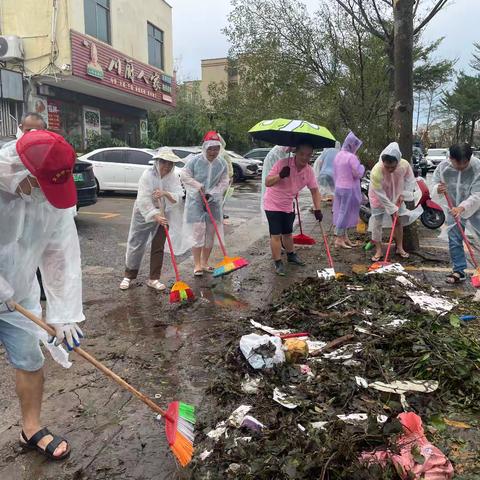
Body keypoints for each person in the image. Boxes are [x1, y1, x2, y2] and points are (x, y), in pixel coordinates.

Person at [0, 129, 85, 461]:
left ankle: (31, 428)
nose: (43, 193)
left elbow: (59, 253)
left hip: (18, 300)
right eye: (39, 183)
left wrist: (63, 313)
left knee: (30, 361)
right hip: (7, 292)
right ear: (20, 170)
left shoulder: (49, 196)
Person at [120, 148, 184, 291]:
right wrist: (155, 215)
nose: (167, 167)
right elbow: (143, 199)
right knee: (136, 243)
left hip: (164, 213)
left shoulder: (173, 177)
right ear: (157, 162)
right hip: (144, 213)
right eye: (164, 163)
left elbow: (178, 197)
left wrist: (165, 193)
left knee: (158, 247)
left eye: (170, 164)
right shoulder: (147, 175)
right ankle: (128, 275)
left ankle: (154, 278)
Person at [264, 142, 323, 275]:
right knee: (276, 235)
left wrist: (317, 208)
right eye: (302, 154)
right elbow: (267, 182)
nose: (304, 158)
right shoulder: (282, 164)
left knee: (288, 233)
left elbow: (314, 190)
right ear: (296, 152)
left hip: (288, 204)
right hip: (273, 203)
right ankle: (278, 262)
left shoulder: (309, 171)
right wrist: (280, 176)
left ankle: (291, 255)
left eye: (308, 155)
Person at [181, 131, 229, 276]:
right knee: (198, 232)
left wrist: (213, 193)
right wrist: (197, 185)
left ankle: (205, 263)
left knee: (210, 232)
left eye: (216, 148)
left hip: (213, 202)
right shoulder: (195, 161)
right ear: (205, 147)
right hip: (196, 200)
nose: (213, 152)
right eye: (211, 148)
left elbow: (225, 180)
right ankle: (196, 265)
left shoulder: (222, 163)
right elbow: (184, 174)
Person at [431, 144, 480, 285]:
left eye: (465, 163)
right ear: (450, 158)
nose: (462, 166)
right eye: (458, 163)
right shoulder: (444, 167)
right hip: (452, 207)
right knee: (454, 239)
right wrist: (438, 189)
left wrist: (463, 207)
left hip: (476, 208)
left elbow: (478, 193)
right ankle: (459, 270)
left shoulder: (477, 167)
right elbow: (434, 183)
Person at [368, 142, 422, 262]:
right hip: (378, 197)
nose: (390, 169)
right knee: (377, 223)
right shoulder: (377, 170)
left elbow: (410, 180)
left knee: (397, 221)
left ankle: (399, 248)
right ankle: (378, 250)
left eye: (393, 166)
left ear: (398, 161)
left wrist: (404, 194)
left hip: (397, 195)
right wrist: (391, 208)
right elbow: (379, 193)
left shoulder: (404, 165)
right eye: (387, 167)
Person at [333, 132, 365, 249]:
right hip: (348, 188)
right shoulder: (351, 157)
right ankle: (339, 238)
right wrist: (362, 166)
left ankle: (344, 237)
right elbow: (358, 173)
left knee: (341, 211)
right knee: (344, 212)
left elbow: (335, 172)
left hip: (338, 187)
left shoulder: (338, 155)